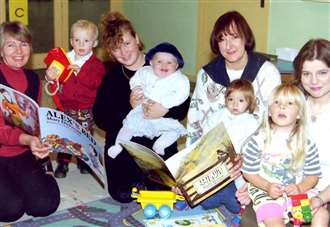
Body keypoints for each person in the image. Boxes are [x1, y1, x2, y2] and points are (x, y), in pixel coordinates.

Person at [186, 10, 281, 207]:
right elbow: (196, 124)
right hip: (216, 159)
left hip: (257, 158)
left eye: (235, 37)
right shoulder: (207, 75)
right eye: (222, 39)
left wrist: (247, 158)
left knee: (255, 201)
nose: (229, 46)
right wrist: (189, 169)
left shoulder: (266, 72)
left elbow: (276, 124)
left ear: (246, 37)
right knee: (200, 197)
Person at [93, 11, 190, 203]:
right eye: (116, 49)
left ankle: (149, 177)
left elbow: (183, 100)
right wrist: (128, 108)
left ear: (137, 39)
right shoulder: (112, 77)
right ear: (110, 53)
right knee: (123, 194)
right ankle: (138, 177)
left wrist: (165, 110)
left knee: (164, 190)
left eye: (127, 44)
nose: (124, 52)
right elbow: (100, 117)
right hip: (125, 142)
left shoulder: (161, 62)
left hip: (157, 139)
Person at [0, 21, 60, 222]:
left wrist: (42, 141)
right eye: (11, 45)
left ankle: (45, 169)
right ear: (1, 50)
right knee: (11, 210)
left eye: (23, 44)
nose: (18, 51)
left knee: (45, 205)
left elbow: (37, 120)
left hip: (24, 152)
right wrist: (27, 139)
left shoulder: (34, 78)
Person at [242, 84, 321, 227]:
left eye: (289, 103)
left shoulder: (306, 143)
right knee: (273, 219)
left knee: (320, 214)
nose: (281, 107)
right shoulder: (259, 139)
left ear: (299, 114)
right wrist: (267, 186)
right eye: (277, 102)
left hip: (298, 191)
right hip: (265, 191)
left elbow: (313, 176)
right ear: (270, 112)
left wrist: (300, 188)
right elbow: (248, 172)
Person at [45, 19, 106, 178]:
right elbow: (54, 80)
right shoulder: (65, 59)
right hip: (65, 106)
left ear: (94, 43)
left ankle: (83, 161)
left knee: (83, 136)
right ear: (71, 41)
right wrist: (50, 76)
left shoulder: (96, 64)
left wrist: (81, 73)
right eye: (77, 40)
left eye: (86, 41)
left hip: (86, 108)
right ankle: (63, 163)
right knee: (64, 136)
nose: (81, 44)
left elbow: (97, 82)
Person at [108, 42, 190, 158]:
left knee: (174, 130)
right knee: (127, 126)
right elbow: (136, 79)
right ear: (151, 62)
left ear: (176, 66)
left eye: (169, 62)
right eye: (159, 61)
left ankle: (160, 145)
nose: (164, 65)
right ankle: (119, 145)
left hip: (162, 115)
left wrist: (165, 106)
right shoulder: (145, 71)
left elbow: (183, 94)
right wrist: (136, 90)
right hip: (142, 110)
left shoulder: (179, 79)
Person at [199, 79, 260, 213]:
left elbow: (254, 145)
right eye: (231, 99)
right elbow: (206, 135)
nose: (234, 104)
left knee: (236, 206)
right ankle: (219, 194)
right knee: (205, 203)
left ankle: (230, 195)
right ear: (225, 100)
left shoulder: (251, 122)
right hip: (215, 164)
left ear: (249, 102)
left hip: (237, 169)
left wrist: (242, 156)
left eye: (241, 101)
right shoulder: (217, 116)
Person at [293, 38, 330, 227]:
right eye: (306, 73)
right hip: (297, 188)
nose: (314, 81)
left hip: (325, 194)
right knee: (253, 218)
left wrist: (319, 200)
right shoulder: (294, 106)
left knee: (319, 217)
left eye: (322, 72)